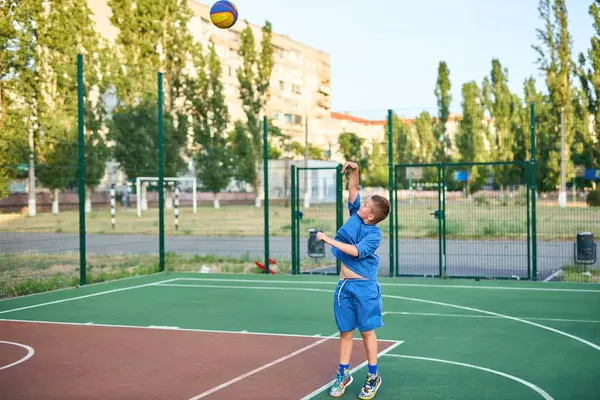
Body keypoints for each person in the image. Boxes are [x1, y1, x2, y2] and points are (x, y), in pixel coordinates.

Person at [316, 161, 391, 399]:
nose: (361, 202)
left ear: (370, 215)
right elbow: (353, 190)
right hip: (344, 287)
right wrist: (355, 169)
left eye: (366, 204)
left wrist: (329, 240)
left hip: (364, 288)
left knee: (367, 331)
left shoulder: (373, 235)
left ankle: (373, 375)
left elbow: (356, 251)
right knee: (345, 332)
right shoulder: (356, 216)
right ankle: (343, 374)